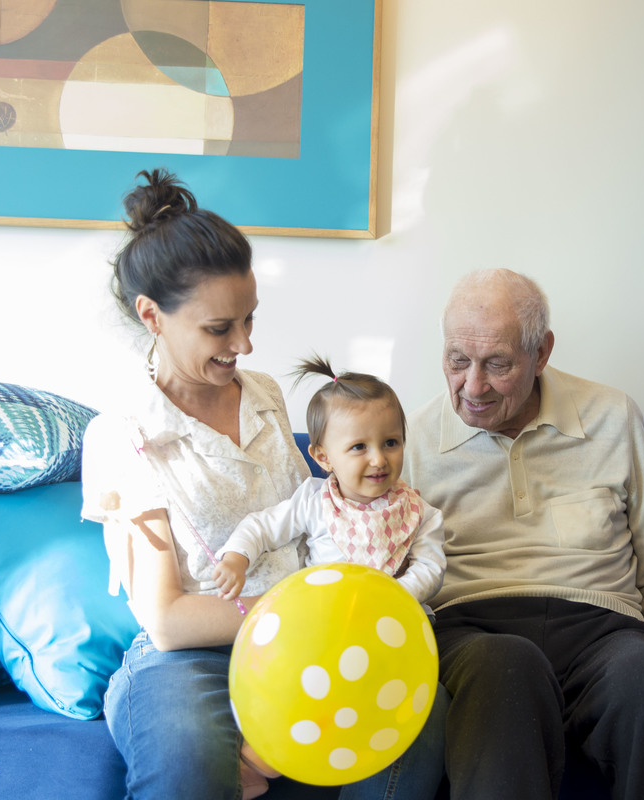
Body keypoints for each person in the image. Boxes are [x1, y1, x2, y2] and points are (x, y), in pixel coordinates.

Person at [80, 169, 446, 800]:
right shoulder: (124, 436)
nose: (245, 345)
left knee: (417, 716)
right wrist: (296, 616)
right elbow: (166, 620)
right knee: (190, 759)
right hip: (191, 657)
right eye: (220, 329)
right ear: (153, 317)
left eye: (250, 319)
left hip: (312, 644)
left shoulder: (269, 397)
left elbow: (312, 519)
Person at [402, 268, 644, 800]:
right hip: (472, 631)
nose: (472, 386)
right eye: (458, 361)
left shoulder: (613, 416)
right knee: (507, 667)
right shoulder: (408, 441)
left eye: (498, 364)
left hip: (603, 632)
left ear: (542, 352)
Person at [214, 355, 445, 606]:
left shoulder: (418, 512)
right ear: (323, 457)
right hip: (328, 618)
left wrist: (388, 597)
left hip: (395, 617)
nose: (379, 459)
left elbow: (430, 569)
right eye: (359, 447)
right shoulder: (314, 501)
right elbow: (261, 527)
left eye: (391, 442)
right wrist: (236, 558)